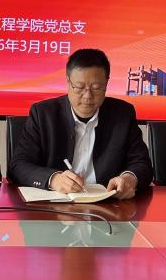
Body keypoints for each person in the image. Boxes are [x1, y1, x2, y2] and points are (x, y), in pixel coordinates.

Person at [8, 48, 152, 199]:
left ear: (106, 83)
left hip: (109, 204)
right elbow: (18, 165)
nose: (87, 96)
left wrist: (130, 178)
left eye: (96, 88)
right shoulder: (43, 114)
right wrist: (54, 179)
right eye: (79, 87)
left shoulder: (123, 114)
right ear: (68, 82)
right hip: (55, 205)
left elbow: (142, 163)